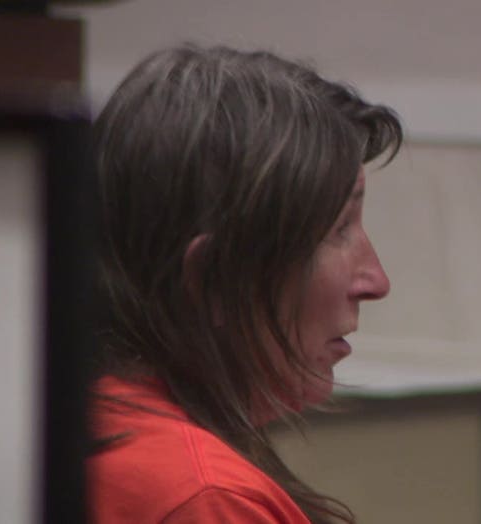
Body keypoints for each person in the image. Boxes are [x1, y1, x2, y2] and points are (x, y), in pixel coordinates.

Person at [86, 44, 402, 524]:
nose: (376, 281)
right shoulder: (205, 498)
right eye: (340, 227)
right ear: (213, 277)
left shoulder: (87, 419)